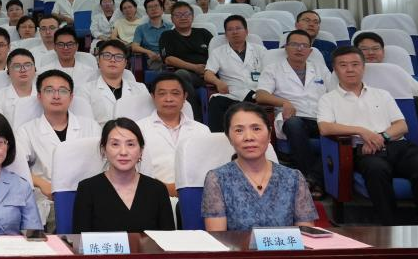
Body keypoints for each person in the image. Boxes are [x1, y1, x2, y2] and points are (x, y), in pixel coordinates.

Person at [317, 46, 418, 225]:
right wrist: (361, 131)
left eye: (355, 64)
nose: (350, 69)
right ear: (335, 69)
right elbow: (325, 128)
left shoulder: (382, 94)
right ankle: (390, 226)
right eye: (343, 65)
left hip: (398, 146)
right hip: (364, 150)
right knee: (376, 170)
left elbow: (402, 126)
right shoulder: (328, 99)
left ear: (363, 67)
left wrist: (382, 137)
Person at [203, 103, 317, 231]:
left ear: (269, 134)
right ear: (229, 138)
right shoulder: (217, 179)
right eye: (239, 130)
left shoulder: (294, 178)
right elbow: (218, 238)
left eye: (256, 129)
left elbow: (306, 235)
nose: (249, 137)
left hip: (286, 245)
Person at [15, 70, 101, 223]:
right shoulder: (26, 131)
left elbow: (105, 163)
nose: (56, 96)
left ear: (71, 97)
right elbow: (16, 167)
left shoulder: (91, 126)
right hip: (48, 203)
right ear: (39, 96)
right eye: (49, 90)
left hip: (90, 200)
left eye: (62, 91)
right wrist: (42, 184)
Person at [255, 30, 329, 195]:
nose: (299, 49)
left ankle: (311, 180)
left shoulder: (321, 69)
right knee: (295, 124)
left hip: (321, 118)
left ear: (310, 50)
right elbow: (261, 95)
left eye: (304, 45)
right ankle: (311, 178)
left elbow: (333, 94)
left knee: (338, 136)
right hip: (293, 118)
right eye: (295, 44)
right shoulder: (273, 69)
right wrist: (284, 102)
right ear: (286, 47)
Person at [73, 118, 175, 233]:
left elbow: (168, 240)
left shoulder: (157, 190)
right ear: (104, 150)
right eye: (115, 144)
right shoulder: (87, 189)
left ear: (141, 150)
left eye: (130, 144)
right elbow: (80, 240)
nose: (123, 152)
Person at [136, 74, 209, 195]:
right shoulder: (137, 129)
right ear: (153, 97)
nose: (169, 99)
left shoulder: (202, 130)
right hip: (151, 195)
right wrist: (164, 189)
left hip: (195, 195)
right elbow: (133, 169)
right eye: (162, 94)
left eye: (175, 93)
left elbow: (208, 169)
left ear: (185, 97)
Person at [204, 15, 266, 131]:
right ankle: (218, 138)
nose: (235, 32)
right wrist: (218, 82)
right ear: (226, 34)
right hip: (232, 93)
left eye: (238, 28)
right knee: (216, 101)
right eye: (230, 29)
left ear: (246, 31)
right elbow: (208, 73)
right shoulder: (218, 52)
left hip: (257, 92)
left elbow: (270, 72)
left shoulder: (260, 50)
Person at [159, 1, 213, 121]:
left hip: (209, 73)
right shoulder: (167, 36)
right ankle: (195, 119)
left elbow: (217, 54)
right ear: (172, 19)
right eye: (178, 15)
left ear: (192, 17)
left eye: (186, 14)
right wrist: (195, 68)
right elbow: (168, 59)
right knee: (181, 75)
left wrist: (209, 70)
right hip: (185, 75)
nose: (183, 17)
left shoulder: (204, 33)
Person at [353, 31, 418, 109]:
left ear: (383, 52)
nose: (370, 52)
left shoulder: (394, 70)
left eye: (375, 48)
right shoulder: (350, 72)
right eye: (364, 49)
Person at [84, 40, 155, 125]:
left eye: (118, 57)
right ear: (98, 61)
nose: (113, 60)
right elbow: (85, 124)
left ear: (125, 63)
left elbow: (148, 120)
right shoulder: (85, 90)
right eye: (107, 56)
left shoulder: (140, 88)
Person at [0, 48, 36, 125]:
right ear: (8, 72)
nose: (23, 70)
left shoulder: (43, 95)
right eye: (17, 66)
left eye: (27, 65)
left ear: (35, 69)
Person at [131, 0, 170, 69]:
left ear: (162, 9)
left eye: (156, 6)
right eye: (150, 7)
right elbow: (134, 47)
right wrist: (148, 52)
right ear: (146, 12)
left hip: (169, 58)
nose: (153, 9)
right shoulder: (140, 28)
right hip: (151, 59)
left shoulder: (171, 27)